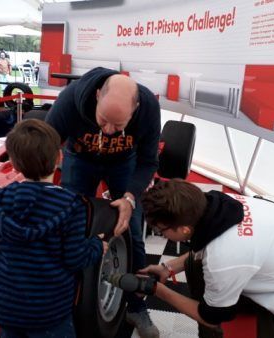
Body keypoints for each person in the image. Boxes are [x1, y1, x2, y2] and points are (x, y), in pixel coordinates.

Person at [140, 179, 274, 338]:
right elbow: (211, 246)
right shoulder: (218, 204)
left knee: (212, 306)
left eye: (161, 230)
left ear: (184, 229)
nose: (161, 234)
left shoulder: (224, 257)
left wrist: (157, 290)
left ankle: (223, 306)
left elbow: (211, 317)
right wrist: (168, 268)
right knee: (194, 263)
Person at [44, 67, 161, 337]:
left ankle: (135, 305)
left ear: (136, 109)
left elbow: (148, 161)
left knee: (132, 231)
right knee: (68, 224)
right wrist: (44, 189)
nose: (108, 131)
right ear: (97, 96)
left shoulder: (149, 109)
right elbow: (46, 144)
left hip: (124, 164)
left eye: (118, 126)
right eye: (103, 120)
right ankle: (62, 300)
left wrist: (130, 197)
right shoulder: (70, 100)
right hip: (79, 159)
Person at [0, 119, 107, 338]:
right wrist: (97, 245)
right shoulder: (71, 205)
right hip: (50, 311)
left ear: (13, 163)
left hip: (6, 307)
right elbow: (75, 259)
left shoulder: (1, 199)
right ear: (59, 158)